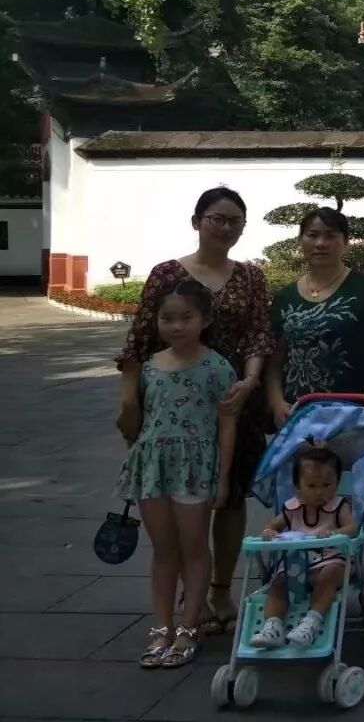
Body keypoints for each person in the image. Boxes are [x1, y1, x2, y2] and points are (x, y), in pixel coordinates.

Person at [116, 187, 274, 635]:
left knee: (229, 497)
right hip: (176, 406)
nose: (225, 227)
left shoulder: (250, 277)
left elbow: (259, 335)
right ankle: (191, 597)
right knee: (179, 501)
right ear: (197, 221)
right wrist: (129, 400)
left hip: (232, 401)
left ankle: (220, 589)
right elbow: (139, 340)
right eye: (216, 218)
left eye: (234, 221)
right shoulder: (166, 274)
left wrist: (249, 381)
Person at [265, 207, 364, 625]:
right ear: (300, 240)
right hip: (299, 418)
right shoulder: (285, 298)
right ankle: (292, 588)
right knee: (298, 500)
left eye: (330, 235)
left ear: (345, 241)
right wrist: (275, 400)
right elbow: (274, 357)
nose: (320, 243)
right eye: (312, 234)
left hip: (352, 418)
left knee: (359, 503)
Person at [115, 279, 237, 668]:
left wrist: (223, 478)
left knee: (195, 548)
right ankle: (162, 627)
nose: (176, 325)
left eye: (186, 317)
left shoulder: (218, 367)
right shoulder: (149, 367)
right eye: (167, 318)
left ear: (205, 320)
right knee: (164, 550)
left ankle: (189, 626)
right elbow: (137, 420)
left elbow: (227, 426)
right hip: (153, 466)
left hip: (195, 468)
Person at [250, 446, 358, 649]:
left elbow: (352, 527)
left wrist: (336, 533)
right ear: (298, 486)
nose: (320, 491)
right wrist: (269, 532)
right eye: (312, 485)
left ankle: (312, 621)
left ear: (337, 483)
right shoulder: (293, 508)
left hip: (330, 559)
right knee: (278, 582)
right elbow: (272, 525)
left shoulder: (338, 506)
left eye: (327, 485)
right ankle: (273, 625)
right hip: (297, 564)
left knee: (330, 574)